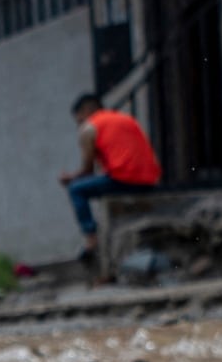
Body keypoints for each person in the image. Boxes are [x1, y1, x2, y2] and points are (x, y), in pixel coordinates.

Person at [60, 91, 162, 268]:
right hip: (149, 180)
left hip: (124, 180)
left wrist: (69, 178)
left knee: (76, 189)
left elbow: (87, 170)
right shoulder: (125, 119)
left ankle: (91, 237)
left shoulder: (90, 127)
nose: (79, 125)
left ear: (85, 112)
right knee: (97, 183)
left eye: (78, 120)